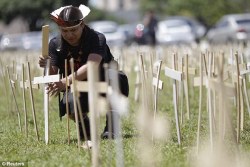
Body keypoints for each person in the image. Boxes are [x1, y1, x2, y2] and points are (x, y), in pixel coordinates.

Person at [38, 4, 129, 147]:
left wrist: (65, 81)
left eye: (73, 30)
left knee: (116, 78)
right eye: (64, 31)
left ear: (82, 25)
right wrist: (48, 66)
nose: (69, 35)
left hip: (103, 83)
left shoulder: (97, 38)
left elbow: (92, 66)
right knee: (68, 103)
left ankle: (111, 126)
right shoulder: (54, 44)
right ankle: (84, 125)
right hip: (76, 88)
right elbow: (53, 77)